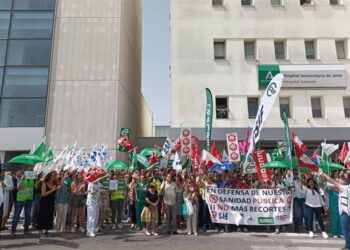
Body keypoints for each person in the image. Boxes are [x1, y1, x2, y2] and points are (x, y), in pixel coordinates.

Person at [323, 171, 350, 250]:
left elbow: (332, 181)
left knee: (346, 231)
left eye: (340, 181)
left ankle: (348, 247)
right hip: (346, 212)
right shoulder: (347, 188)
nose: (338, 183)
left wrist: (323, 174)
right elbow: (330, 184)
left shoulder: (344, 188)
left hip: (346, 212)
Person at [10, 170, 35, 238]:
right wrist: (22, 179)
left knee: (27, 216)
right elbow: (18, 188)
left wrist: (37, 179)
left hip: (29, 200)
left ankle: (26, 230)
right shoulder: (19, 178)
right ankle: (13, 231)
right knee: (16, 216)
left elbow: (36, 187)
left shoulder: (33, 180)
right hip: (20, 200)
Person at [37, 172, 59, 236]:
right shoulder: (44, 183)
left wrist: (56, 189)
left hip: (51, 202)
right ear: (49, 176)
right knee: (43, 215)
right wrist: (52, 190)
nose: (54, 177)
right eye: (53, 175)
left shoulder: (54, 184)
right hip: (44, 202)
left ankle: (46, 231)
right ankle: (40, 230)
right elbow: (43, 194)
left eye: (55, 175)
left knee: (49, 216)